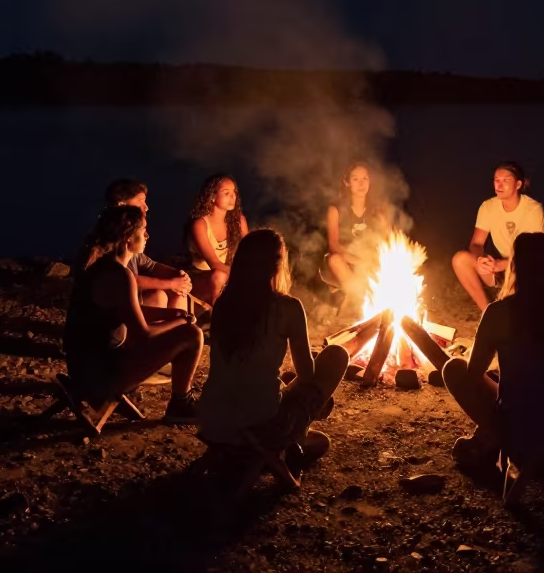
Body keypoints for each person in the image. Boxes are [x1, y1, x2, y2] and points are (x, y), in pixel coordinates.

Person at [198, 228, 350, 489]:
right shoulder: (288, 307)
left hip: (213, 420)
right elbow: (306, 377)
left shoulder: (224, 304)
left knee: (319, 441)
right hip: (260, 422)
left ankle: (256, 452)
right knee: (336, 354)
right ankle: (280, 448)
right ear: (278, 263)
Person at [443, 233, 544, 474]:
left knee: (454, 368)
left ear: (515, 266)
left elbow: (473, 374)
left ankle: (494, 438)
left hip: (524, 433)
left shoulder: (499, 312)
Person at [64, 205, 203, 421]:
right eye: (143, 230)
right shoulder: (119, 276)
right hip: (100, 377)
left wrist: (172, 315)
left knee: (184, 327)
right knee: (192, 335)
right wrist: (181, 323)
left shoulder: (104, 268)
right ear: (129, 238)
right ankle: (180, 404)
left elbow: (128, 312)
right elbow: (144, 335)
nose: (147, 235)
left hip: (83, 370)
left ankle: (181, 403)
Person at [452, 163, 544, 314]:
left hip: (527, 267)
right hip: (502, 266)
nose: (499, 185)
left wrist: (501, 265)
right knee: (460, 259)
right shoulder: (488, 206)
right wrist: (481, 260)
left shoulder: (533, 209)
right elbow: (476, 243)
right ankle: (487, 313)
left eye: (505, 180)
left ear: (518, 184)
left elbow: (534, 253)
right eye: (496, 180)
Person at [105, 179, 192, 319]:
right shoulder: (110, 240)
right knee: (159, 296)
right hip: (116, 311)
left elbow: (151, 265)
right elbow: (127, 279)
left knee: (179, 292)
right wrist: (170, 283)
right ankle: (158, 337)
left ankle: (178, 335)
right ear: (122, 205)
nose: (146, 207)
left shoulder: (130, 239)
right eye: (141, 202)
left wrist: (178, 275)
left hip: (133, 301)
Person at [320, 162, 395, 301]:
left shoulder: (377, 210)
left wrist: (375, 260)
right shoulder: (336, 210)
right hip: (342, 264)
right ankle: (361, 300)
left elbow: (388, 241)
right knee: (335, 259)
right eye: (355, 179)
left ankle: (366, 299)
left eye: (365, 178)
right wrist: (360, 262)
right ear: (346, 182)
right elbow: (334, 245)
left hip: (367, 264)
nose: (361, 183)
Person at [186, 174, 249, 308]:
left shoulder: (239, 221)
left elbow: (249, 252)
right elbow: (214, 263)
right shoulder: (200, 224)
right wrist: (243, 274)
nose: (233, 197)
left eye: (234, 193)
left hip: (226, 275)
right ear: (213, 196)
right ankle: (218, 322)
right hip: (199, 277)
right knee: (219, 275)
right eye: (226, 193)